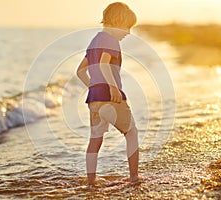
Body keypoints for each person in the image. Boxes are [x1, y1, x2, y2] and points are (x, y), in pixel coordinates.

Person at [76, 2, 139, 185]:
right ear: (118, 22)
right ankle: (134, 178)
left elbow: (80, 71)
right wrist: (112, 87)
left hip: (94, 100)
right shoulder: (110, 39)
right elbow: (104, 64)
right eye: (127, 27)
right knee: (132, 132)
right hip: (110, 97)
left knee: (95, 140)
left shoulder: (94, 41)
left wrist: (93, 87)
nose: (128, 33)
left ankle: (91, 181)